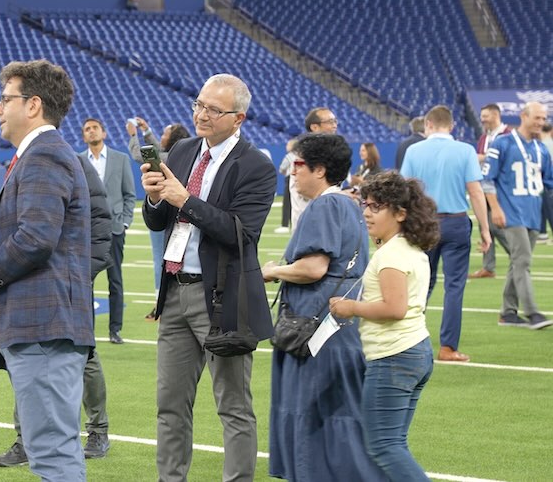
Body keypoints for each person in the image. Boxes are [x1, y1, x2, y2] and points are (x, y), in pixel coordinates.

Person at [0, 59, 94, 480]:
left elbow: (36, 238)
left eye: (5, 99)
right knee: (50, 447)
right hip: (43, 325)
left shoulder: (45, 154)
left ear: (33, 105)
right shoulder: (42, 154)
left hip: (42, 325)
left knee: (52, 451)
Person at [141, 73, 276, 482]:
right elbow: (158, 220)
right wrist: (154, 196)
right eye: (198, 105)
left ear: (238, 118)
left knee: (233, 405)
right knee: (169, 404)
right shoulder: (182, 150)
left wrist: (186, 200)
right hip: (176, 290)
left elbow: (241, 234)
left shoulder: (256, 166)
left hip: (222, 297)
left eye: (213, 110)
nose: (201, 114)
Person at [261, 133, 385, 481]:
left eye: (299, 165)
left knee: (317, 420)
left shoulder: (326, 205)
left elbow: (313, 267)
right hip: (336, 327)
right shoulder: (347, 203)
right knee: (339, 419)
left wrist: (272, 271)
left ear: (320, 170)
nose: (293, 173)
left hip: (316, 330)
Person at [0, 154, 114, 467]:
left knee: (85, 355)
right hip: (29, 282)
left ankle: (98, 430)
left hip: (68, 279)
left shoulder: (67, 160)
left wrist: (83, 272)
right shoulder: (20, 161)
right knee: (23, 356)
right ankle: (25, 440)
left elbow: (100, 220)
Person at [330, 171, 440, 482]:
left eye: (376, 207)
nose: (366, 212)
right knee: (394, 443)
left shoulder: (392, 253)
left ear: (400, 213)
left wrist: (351, 307)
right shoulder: (406, 247)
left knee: (384, 446)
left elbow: (394, 308)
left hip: (394, 356)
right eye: (365, 204)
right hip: (414, 351)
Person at [400, 106, 491, 362]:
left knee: (419, 284)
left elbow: (405, 193)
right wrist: (485, 230)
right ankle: (448, 347)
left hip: (422, 223)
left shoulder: (414, 150)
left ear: (427, 124)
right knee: (454, 287)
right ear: (451, 126)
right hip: (456, 223)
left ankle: (406, 340)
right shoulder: (465, 150)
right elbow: (475, 192)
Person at [482, 101, 553, 329]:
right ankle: (533, 313)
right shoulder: (503, 143)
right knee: (523, 261)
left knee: (517, 263)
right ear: (523, 116)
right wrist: (496, 208)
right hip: (511, 212)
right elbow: (487, 179)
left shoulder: (541, 149)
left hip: (533, 213)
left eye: (543, 119)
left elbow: (548, 182)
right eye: (537, 118)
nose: (541, 123)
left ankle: (508, 312)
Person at [81, 117, 134, 344]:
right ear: (84, 136)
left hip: (113, 230)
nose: (91, 132)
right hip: (86, 231)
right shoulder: (78, 161)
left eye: (95, 128)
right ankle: (87, 330)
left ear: (104, 133)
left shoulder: (120, 159)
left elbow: (130, 195)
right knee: (85, 282)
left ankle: (115, 330)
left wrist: (124, 223)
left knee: (115, 280)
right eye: (87, 129)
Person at [126, 118, 190, 298]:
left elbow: (140, 155)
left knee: (159, 258)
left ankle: (159, 300)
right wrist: (146, 131)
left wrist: (133, 135)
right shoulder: (184, 155)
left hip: (164, 213)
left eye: (164, 134)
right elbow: (159, 149)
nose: (161, 137)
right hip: (182, 214)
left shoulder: (168, 157)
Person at [470, 104, 513, 279]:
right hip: (483, 186)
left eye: (485, 115)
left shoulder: (508, 135)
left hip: (501, 187)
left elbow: (508, 158)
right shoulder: (483, 137)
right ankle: (488, 266)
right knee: (484, 224)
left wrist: (484, 157)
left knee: (496, 225)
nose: (482, 119)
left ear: (496, 115)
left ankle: (517, 254)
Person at [289, 107, 338, 228]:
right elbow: (308, 190)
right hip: (310, 224)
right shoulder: (302, 155)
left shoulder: (334, 151)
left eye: (335, 121)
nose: (334, 126)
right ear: (314, 127)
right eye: (330, 122)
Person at [273, 138, 297, 234]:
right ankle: (294, 224)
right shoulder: (301, 155)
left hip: (290, 178)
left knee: (287, 203)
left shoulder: (289, 156)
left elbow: (282, 168)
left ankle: (284, 225)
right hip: (300, 179)